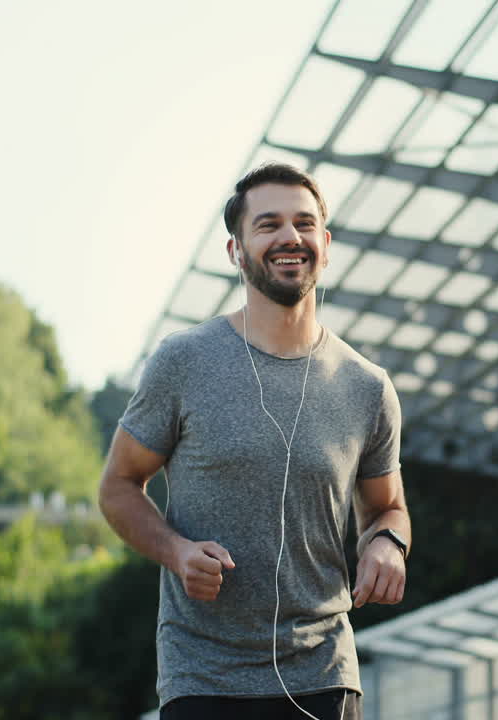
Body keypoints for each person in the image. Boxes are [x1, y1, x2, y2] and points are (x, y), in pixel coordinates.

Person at [99, 164, 411, 720]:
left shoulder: (368, 387)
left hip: (323, 673)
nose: (290, 237)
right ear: (236, 251)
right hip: (203, 674)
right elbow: (119, 487)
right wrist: (177, 552)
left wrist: (387, 544)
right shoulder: (184, 362)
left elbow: (388, 509)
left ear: (325, 244)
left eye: (304, 224)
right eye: (268, 225)